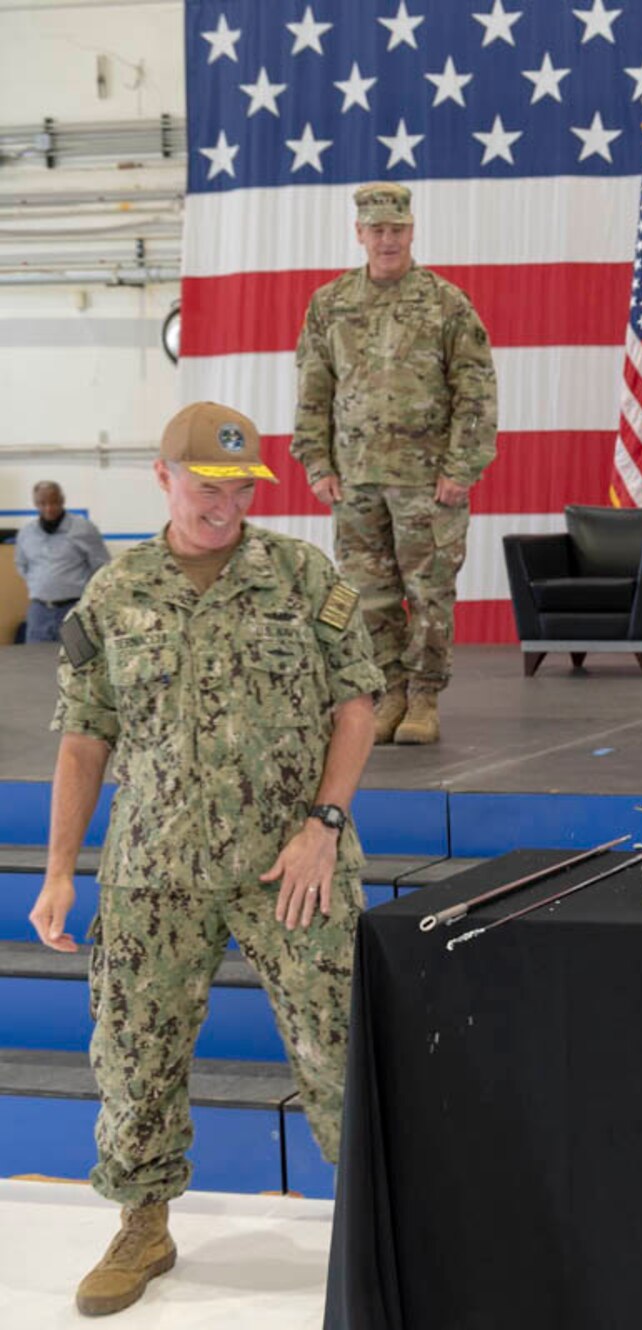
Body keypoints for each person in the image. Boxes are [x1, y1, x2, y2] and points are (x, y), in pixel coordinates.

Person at [27, 401, 381, 1317]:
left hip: (292, 865)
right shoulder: (115, 594)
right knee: (134, 1054)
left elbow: (358, 702)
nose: (223, 503)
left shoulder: (301, 576)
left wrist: (326, 824)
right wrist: (61, 868)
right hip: (154, 867)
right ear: (163, 477)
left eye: (238, 486)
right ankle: (144, 1225)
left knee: (342, 1047)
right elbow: (83, 738)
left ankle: (379, 1230)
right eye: (205, 484)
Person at [293, 181, 496, 746]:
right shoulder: (330, 304)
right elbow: (313, 387)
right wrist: (316, 460)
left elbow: (475, 389)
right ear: (359, 234)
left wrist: (463, 466)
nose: (388, 239)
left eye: (397, 229)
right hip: (355, 478)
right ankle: (391, 691)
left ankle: (425, 696)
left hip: (427, 481)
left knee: (429, 592)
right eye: (377, 230)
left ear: (412, 230)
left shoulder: (445, 302)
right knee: (368, 595)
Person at [14, 481, 111, 642]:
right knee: (33, 661)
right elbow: (21, 565)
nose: (49, 508)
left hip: (74, 608)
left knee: (77, 660)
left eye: (54, 502)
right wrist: (41, 584)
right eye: (42, 503)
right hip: (39, 611)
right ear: (35, 503)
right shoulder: (26, 533)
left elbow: (101, 566)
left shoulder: (83, 529)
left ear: (62, 500)